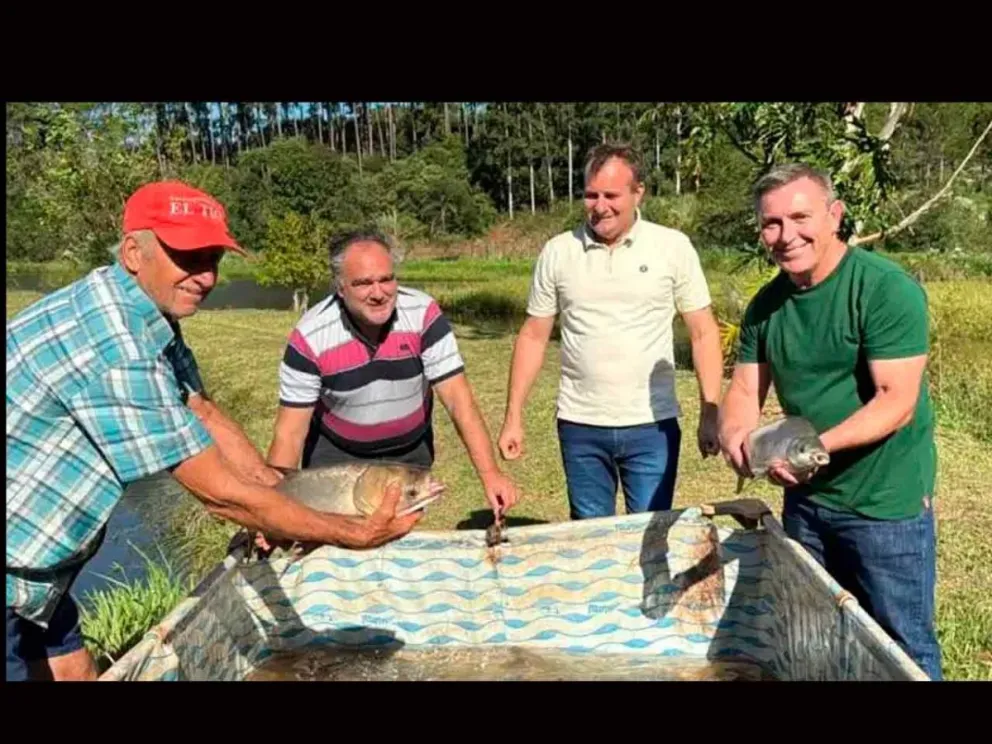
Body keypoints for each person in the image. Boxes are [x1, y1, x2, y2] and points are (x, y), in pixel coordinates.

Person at [6, 182, 421, 682]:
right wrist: (353, 532)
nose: (205, 276)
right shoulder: (118, 349)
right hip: (15, 566)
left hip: (36, 569)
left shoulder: (134, 306)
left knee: (74, 674)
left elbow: (200, 409)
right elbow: (222, 498)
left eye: (213, 258)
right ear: (134, 252)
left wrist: (280, 497)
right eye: (187, 257)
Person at [717, 162, 942, 680]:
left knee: (901, 646)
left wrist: (808, 449)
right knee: (814, 638)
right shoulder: (766, 306)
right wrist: (735, 435)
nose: (786, 235)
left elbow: (896, 400)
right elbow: (746, 388)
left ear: (835, 215)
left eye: (800, 217)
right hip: (807, 505)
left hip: (885, 505)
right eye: (771, 223)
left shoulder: (883, 289)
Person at [496, 143, 723, 520]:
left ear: (639, 193)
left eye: (611, 195)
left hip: (653, 426)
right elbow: (533, 335)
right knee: (590, 535)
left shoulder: (672, 247)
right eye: (591, 194)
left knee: (649, 534)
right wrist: (513, 415)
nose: (600, 206)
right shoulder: (558, 252)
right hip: (581, 424)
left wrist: (710, 411)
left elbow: (702, 332)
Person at [265, 229, 520, 519]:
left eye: (386, 279)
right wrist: (270, 510)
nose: (378, 293)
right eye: (363, 283)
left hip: (408, 455)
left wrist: (491, 475)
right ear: (340, 287)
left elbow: (458, 401)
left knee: (398, 542)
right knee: (340, 545)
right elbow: (289, 433)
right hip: (338, 460)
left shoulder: (424, 314)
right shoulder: (309, 337)